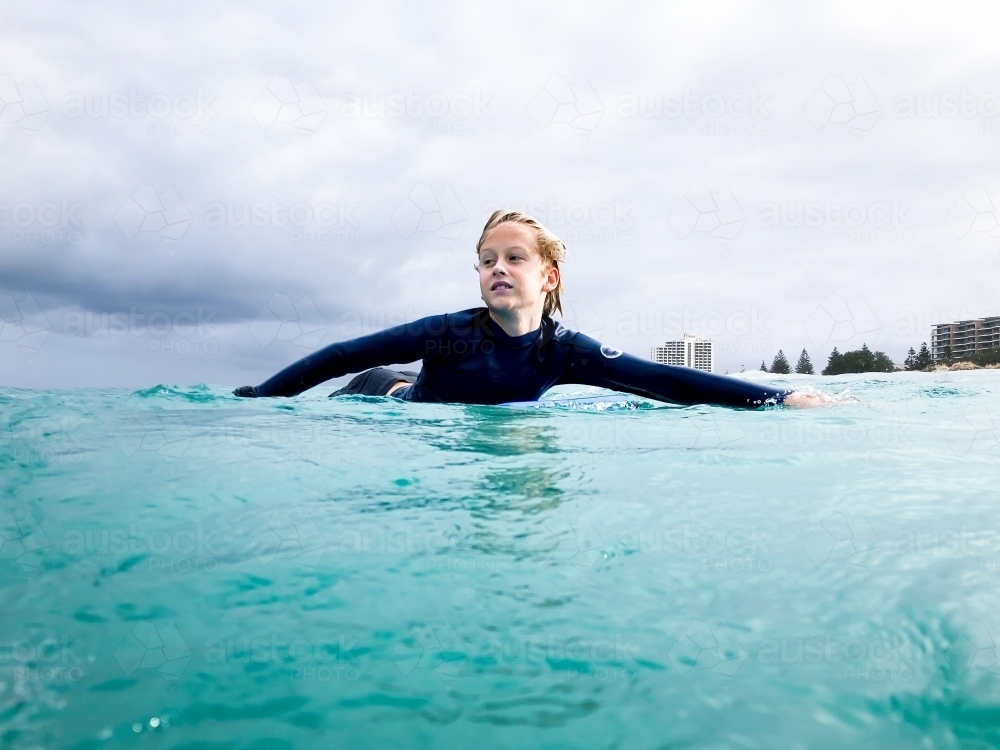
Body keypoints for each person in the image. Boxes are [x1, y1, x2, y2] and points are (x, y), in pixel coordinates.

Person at [235, 210, 819, 408]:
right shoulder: (446, 332)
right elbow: (343, 355)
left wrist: (779, 397)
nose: (497, 268)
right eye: (487, 260)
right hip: (380, 395)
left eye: (515, 258)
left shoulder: (564, 350)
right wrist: (261, 400)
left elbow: (663, 380)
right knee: (386, 388)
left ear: (549, 275)